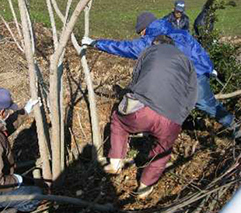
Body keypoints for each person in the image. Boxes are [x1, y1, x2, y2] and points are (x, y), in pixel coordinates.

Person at [81, 12, 237, 135]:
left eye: (140, 32)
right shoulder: (182, 34)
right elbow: (198, 52)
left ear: (144, 29)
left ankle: (151, 133)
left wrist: (95, 43)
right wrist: (209, 69)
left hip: (180, 82)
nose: (141, 35)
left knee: (161, 105)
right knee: (211, 106)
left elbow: (123, 47)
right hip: (198, 76)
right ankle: (235, 128)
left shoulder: (150, 41)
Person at [102, 35, 198, 198]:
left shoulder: (149, 51)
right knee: (162, 151)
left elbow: (135, 81)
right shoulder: (187, 61)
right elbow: (192, 96)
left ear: (156, 43)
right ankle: (144, 188)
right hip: (172, 118)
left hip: (144, 109)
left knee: (119, 121)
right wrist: (179, 118)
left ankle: (116, 162)